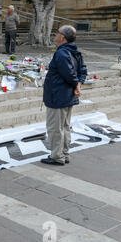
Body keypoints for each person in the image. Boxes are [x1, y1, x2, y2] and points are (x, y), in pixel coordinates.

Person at [41, 25, 87, 166]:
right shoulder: (74, 51)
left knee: (55, 128)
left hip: (58, 95)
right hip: (67, 95)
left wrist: (76, 85)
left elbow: (69, 74)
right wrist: (78, 85)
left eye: (57, 33)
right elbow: (82, 71)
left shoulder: (62, 53)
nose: (55, 35)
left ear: (63, 37)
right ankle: (64, 154)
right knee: (65, 126)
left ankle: (56, 156)